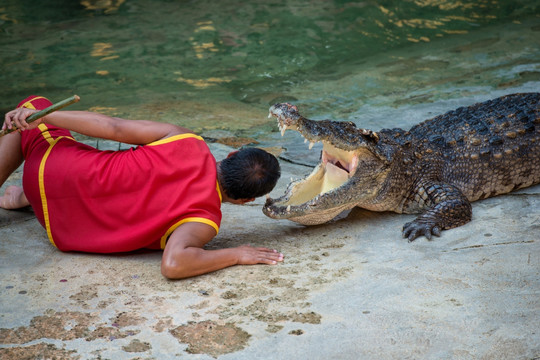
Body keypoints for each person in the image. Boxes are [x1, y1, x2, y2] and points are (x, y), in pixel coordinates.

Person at [0, 95, 283, 279]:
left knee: (33, 105)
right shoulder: (205, 220)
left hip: (48, 171)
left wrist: (42, 115)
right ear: (244, 201)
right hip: (60, 228)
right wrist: (236, 254)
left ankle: (26, 193)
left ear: (231, 156)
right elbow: (174, 264)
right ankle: (26, 198)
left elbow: (112, 127)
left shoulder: (185, 140)